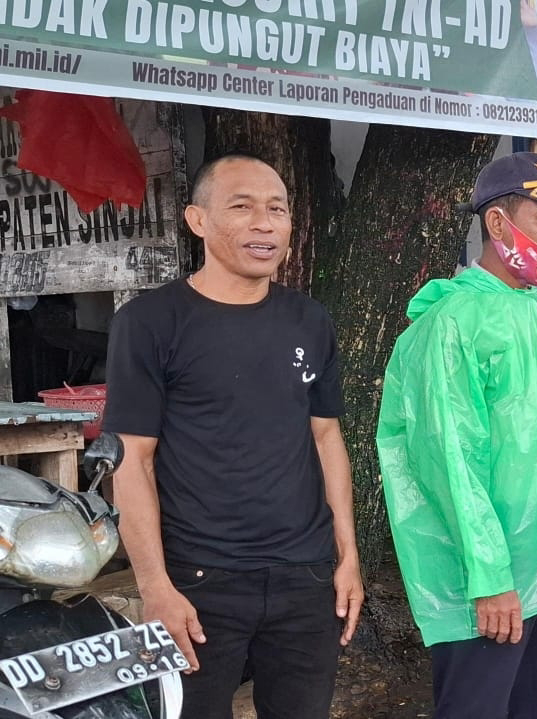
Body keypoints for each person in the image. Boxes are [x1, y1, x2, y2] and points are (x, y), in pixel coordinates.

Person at [103, 154, 363, 719]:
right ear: (198, 220)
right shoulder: (149, 323)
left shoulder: (309, 320)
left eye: (277, 209)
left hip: (305, 576)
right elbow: (132, 459)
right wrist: (155, 586)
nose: (264, 224)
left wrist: (347, 557)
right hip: (199, 580)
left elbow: (326, 438)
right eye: (242, 207)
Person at [376, 152, 537, 719]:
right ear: (497, 224)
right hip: (485, 575)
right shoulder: (452, 324)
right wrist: (489, 577)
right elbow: (449, 459)